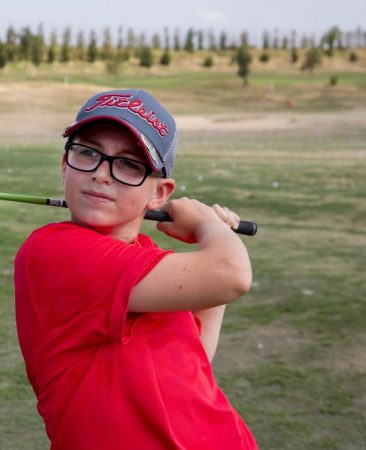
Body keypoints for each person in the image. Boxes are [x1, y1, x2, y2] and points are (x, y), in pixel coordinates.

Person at [13, 89, 256, 449]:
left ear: (159, 194)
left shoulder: (150, 258)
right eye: (88, 153)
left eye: (129, 163)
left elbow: (193, 365)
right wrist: (211, 227)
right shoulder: (54, 250)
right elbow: (232, 276)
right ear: (65, 165)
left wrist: (211, 262)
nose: (101, 174)